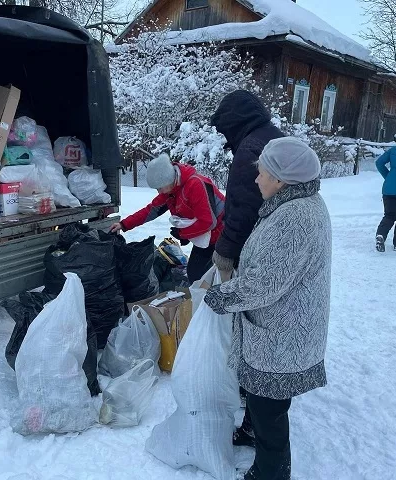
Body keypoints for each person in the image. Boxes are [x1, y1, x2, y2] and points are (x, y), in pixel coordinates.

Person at [204, 137, 332, 480]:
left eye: (262, 173)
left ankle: (270, 472)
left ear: (281, 178)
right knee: (262, 399)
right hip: (281, 325)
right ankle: (250, 432)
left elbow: (264, 283)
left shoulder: (295, 217)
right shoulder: (293, 204)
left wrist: (221, 296)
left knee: (269, 408)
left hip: (282, 332)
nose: (257, 179)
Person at [209, 90, 284, 448]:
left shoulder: (249, 150)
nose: (225, 139)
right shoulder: (274, 138)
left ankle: (254, 412)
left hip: (256, 256)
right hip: (279, 254)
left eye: (226, 131)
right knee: (268, 331)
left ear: (235, 124)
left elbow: (241, 210)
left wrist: (224, 254)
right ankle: (258, 403)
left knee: (253, 328)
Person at [110, 154, 225, 283]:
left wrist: (183, 234)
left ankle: (211, 299)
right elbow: (150, 210)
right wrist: (124, 224)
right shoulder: (171, 190)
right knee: (196, 275)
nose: (159, 192)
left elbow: (208, 222)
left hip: (224, 233)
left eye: (159, 188)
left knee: (213, 275)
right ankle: (204, 298)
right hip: (206, 237)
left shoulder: (195, 185)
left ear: (168, 179)